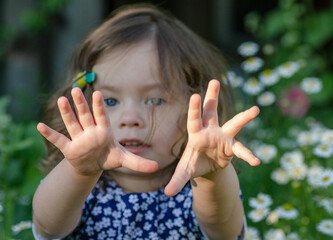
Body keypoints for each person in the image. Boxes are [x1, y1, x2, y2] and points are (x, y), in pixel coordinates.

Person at [32, 3, 261, 240]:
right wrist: (78, 172)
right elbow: (48, 227)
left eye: (155, 100)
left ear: (197, 106)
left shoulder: (202, 187)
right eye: (110, 101)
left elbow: (223, 228)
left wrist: (212, 175)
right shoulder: (77, 186)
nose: (130, 119)